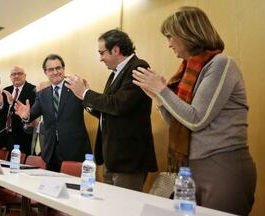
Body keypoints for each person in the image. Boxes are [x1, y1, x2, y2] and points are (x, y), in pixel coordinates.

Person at [132, 6, 256, 215]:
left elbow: (197, 119)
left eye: (171, 36)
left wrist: (162, 90)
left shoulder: (221, 64)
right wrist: (159, 98)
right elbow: (180, 123)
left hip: (223, 167)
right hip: (191, 168)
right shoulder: (188, 71)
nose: (169, 43)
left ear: (187, 34)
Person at [66, 29, 157, 191]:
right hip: (111, 157)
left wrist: (86, 93)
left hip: (128, 159)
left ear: (116, 50)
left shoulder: (138, 67)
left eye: (102, 53)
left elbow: (118, 105)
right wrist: (84, 98)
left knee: (124, 209)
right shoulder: (114, 74)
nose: (100, 58)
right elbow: (107, 110)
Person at [14, 54, 92, 172]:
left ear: (63, 69)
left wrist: (87, 95)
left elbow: (91, 109)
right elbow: (32, 115)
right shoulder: (42, 94)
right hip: (51, 152)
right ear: (45, 72)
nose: (55, 72)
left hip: (75, 150)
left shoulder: (76, 88)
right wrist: (26, 116)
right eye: (50, 69)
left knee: (73, 188)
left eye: (58, 68)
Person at [1, 66, 36, 156]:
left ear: (25, 76)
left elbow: (30, 113)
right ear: (10, 77)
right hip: (5, 135)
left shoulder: (33, 90)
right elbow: (2, 112)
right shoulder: (6, 90)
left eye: (19, 73)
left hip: (22, 136)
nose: (16, 76)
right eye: (13, 74)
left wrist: (12, 102)